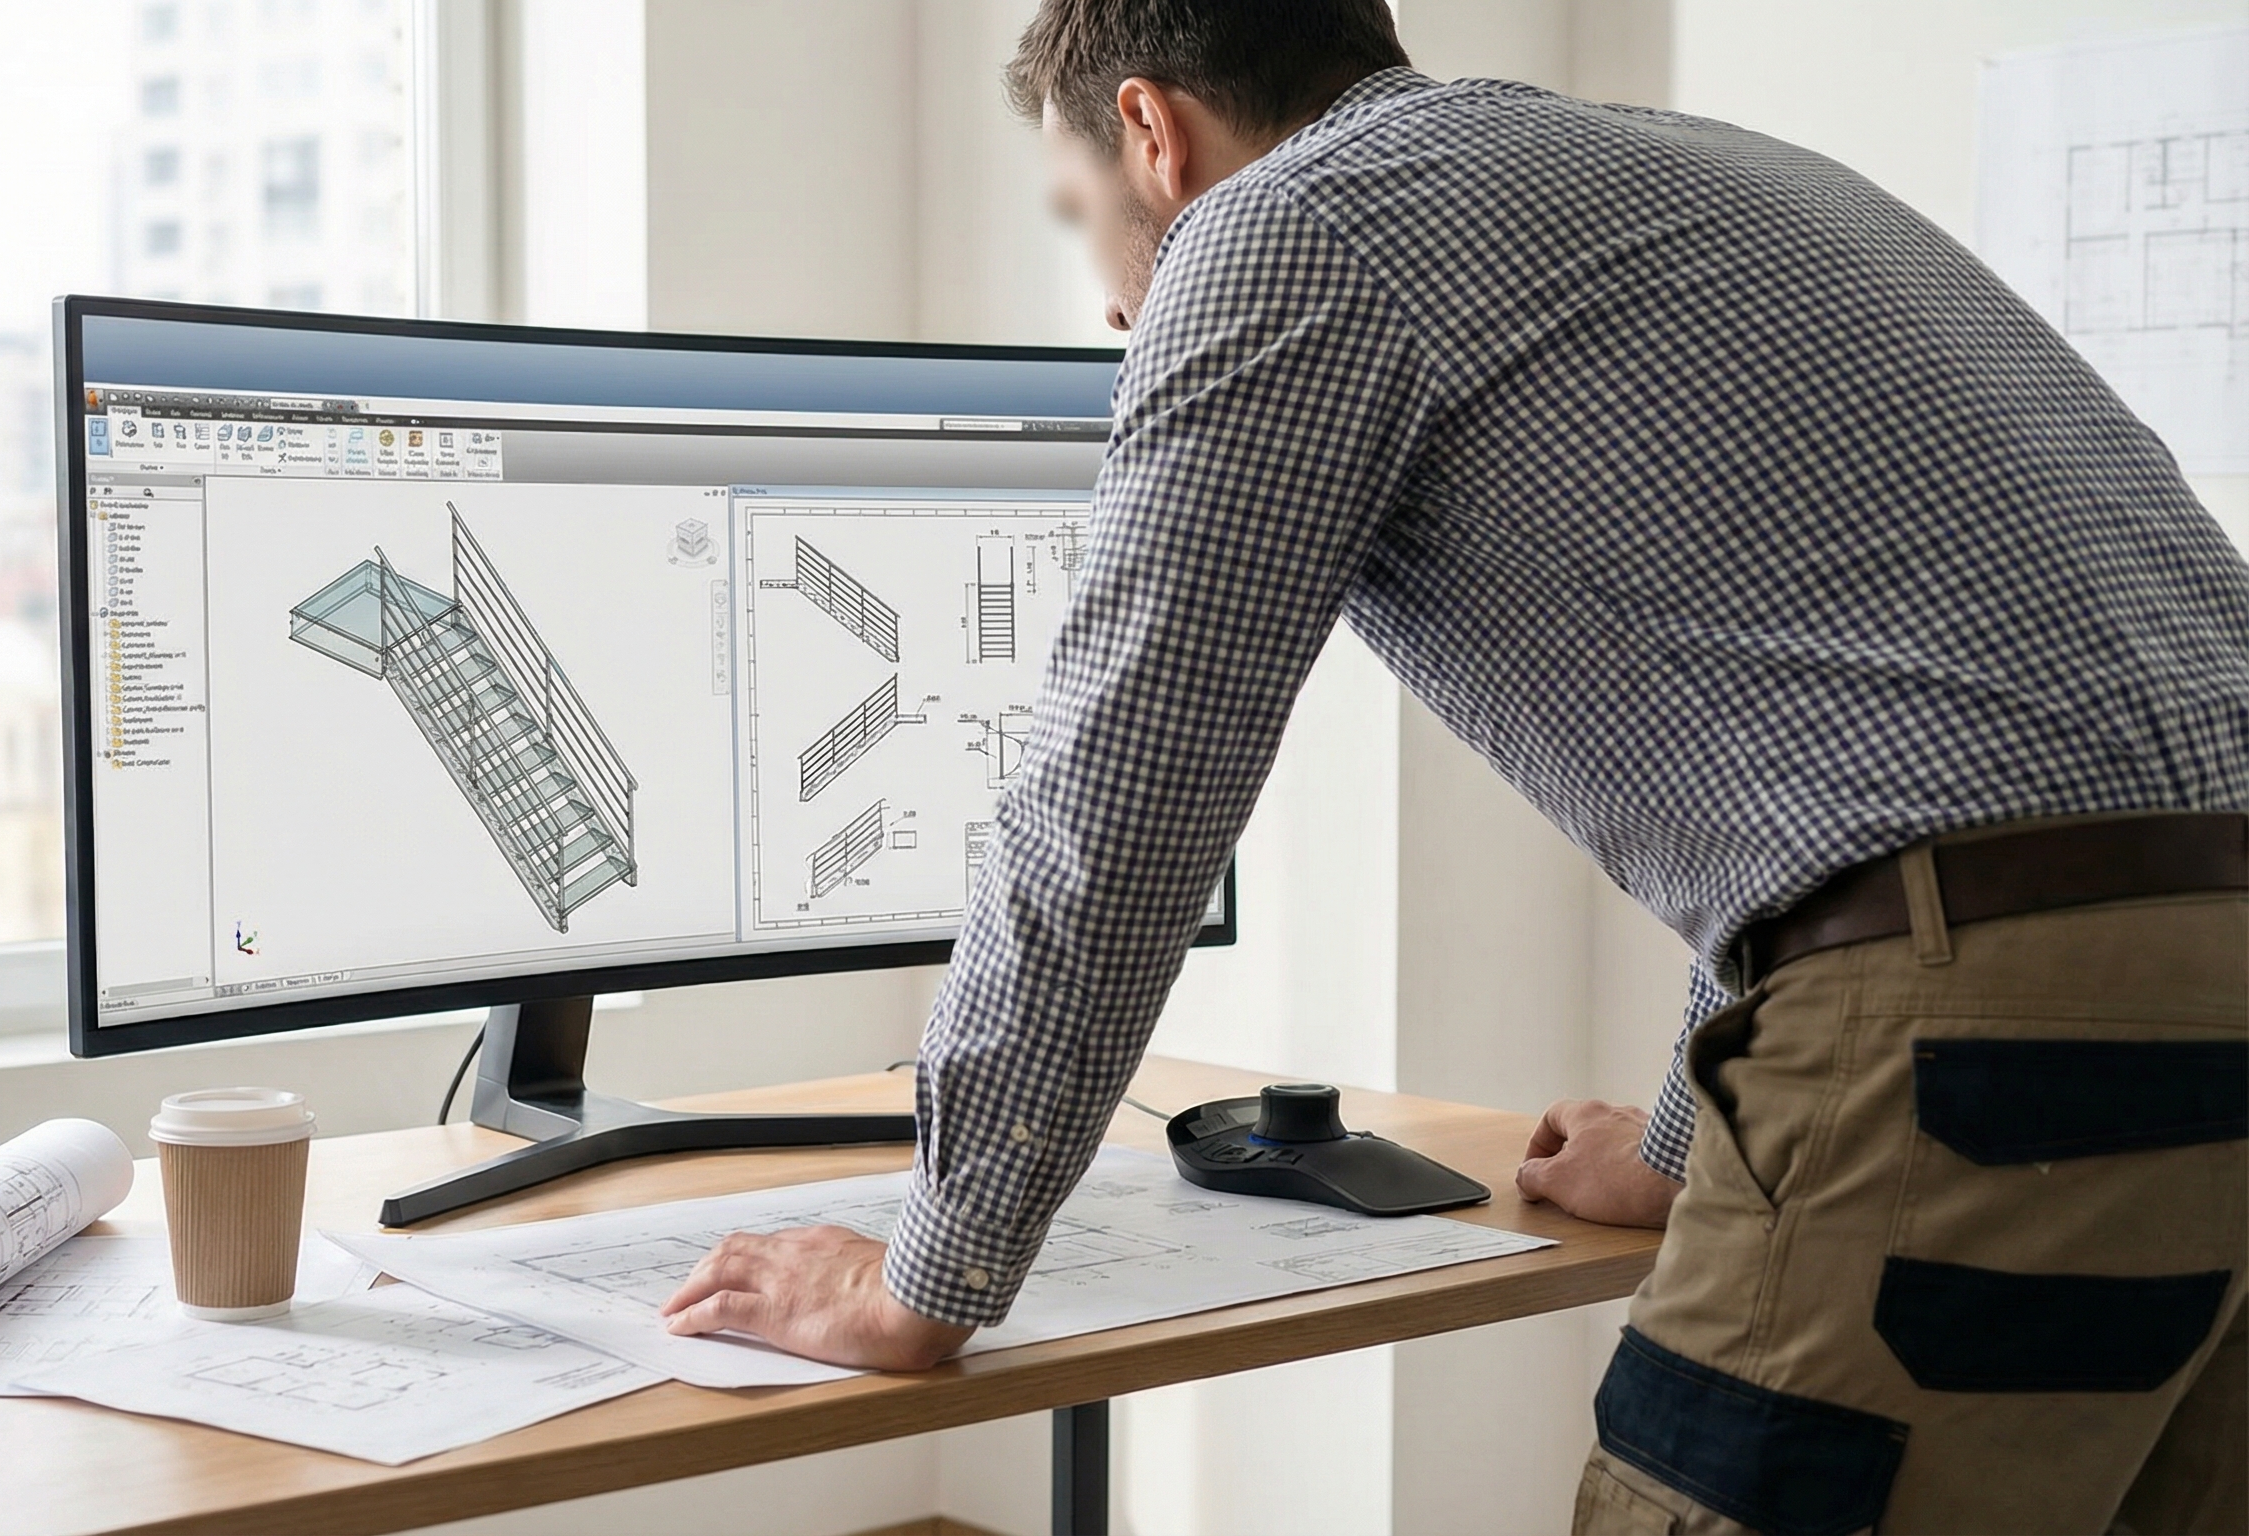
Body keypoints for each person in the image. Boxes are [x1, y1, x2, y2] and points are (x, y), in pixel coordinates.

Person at [658, 3, 2249, 1530]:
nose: (1110, 308)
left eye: (1079, 217)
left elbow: (1116, 791)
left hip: (2004, 1032)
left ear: (1153, 131)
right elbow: (1865, 734)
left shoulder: (1281, 228)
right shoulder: (1707, 173)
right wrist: (1702, 1136)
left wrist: (920, 1272)